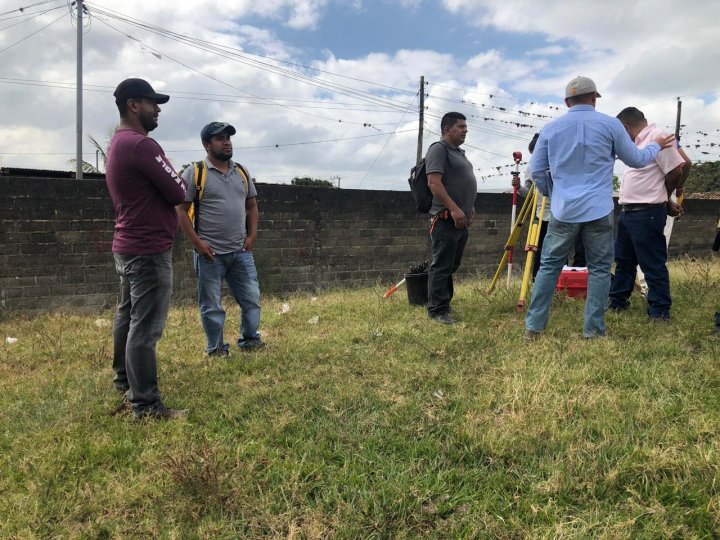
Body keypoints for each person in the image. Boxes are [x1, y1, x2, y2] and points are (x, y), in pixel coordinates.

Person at [524, 76, 676, 339]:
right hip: (598, 209)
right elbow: (638, 160)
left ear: (566, 102)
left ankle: (534, 327)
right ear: (594, 98)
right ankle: (593, 329)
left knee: (549, 266)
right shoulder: (610, 125)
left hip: (563, 210)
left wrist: (554, 193)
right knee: (599, 269)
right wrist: (655, 146)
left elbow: (537, 170)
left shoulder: (551, 129)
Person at [106, 78, 188, 421]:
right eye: (153, 102)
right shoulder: (142, 146)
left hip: (127, 246)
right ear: (133, 104)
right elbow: (179, 191)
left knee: (127, 316)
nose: (158, 109)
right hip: (148, 249)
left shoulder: (118, 143)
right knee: (145, 327)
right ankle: (146, 406)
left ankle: (123, 379)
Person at [177, 122, 264, 355]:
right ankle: (216, 349)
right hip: (210, 254)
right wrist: (197, 242)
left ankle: (250, 340)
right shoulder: (195, 172)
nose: (226, 142)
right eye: (219, 138)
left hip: (240, 252)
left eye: (228, 138)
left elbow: (252, 206)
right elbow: (180, 210)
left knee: (252, 299)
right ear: (207, 145)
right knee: (212, 306)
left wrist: (252, 234)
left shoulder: (242, 172)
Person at [608, 107, 686, 320]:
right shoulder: (639, 144)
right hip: (628, 211)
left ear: (625, 127)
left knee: (651, 263)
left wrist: (665, 197)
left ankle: (659, 311)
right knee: (624, 261)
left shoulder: (658, 137)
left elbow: (677, 169)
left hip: (648, 211)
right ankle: (618, 302)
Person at [425, 112, 477, 324]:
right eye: (461, 126)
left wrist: (469, 206)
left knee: (451, 265)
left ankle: (443, 303)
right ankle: (437, 311)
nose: (465, 130)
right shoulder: (439, 150)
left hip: (460, 219)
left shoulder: (458, 153)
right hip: (446, 218)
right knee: (442, 265)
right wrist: (455, 209)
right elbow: (434, 184)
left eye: (466, 126)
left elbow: (461, 183)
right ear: (447, 129)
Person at [635, 144, 692, 295]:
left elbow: (686, 163)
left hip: (655, 194)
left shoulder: (652, 141)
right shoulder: (666, 138)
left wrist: (669, 193)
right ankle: (648, 287)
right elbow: (686, 162)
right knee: (658, 243)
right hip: (664, 192)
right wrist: (678, 188)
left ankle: (648, 289)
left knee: (649, 244)